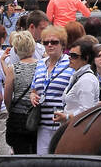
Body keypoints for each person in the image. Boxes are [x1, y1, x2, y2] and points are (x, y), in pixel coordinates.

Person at [29, 25, 73, 153]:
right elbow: (34, 89)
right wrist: (32, 96)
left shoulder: (70, 64)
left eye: (54, 42)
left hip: (62, 123)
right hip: (42, 124)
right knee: (43, 162)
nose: (50, 45)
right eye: (46, 42)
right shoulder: (40, 64)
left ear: (62, 44)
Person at [2, 30, 40, 154]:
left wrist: (10, 109)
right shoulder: (42, 66)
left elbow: (7, 97)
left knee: (21, 153)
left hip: (18, 118)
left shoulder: (13, 69)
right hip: (38, 115)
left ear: (16, 50)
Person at [55, 36, 100, 124]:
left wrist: (67, 117)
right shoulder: (77, 76)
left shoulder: (87, 80)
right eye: (69, 54)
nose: (70, 58)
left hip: (79, 129)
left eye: (74, 56)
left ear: (86, 58)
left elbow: (87, 111)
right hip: (72, 127)